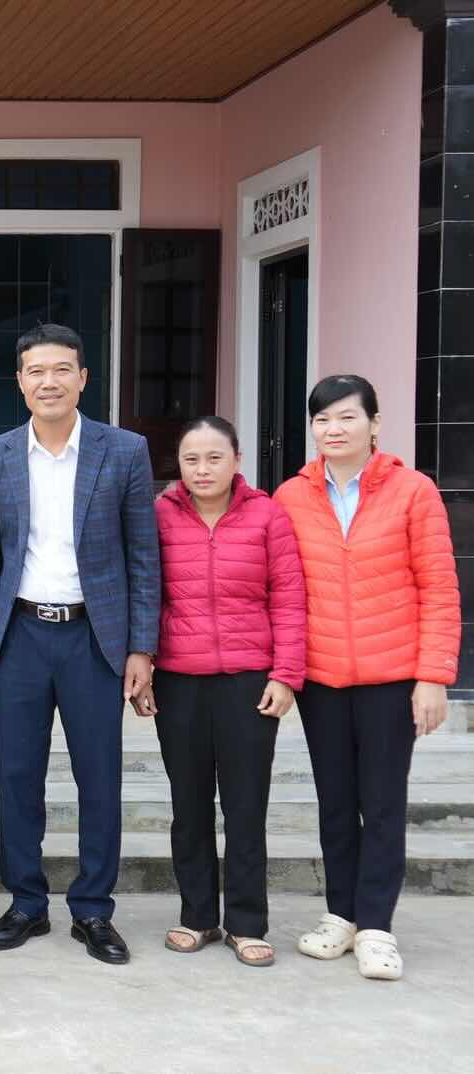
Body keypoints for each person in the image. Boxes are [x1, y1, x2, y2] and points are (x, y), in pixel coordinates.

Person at [0, 323, 159, 966]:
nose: (48, 381)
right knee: (17, 775)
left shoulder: (125, 450)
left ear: (82, 377)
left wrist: (142, 648)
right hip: (22, 633)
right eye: (35, 370)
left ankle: (93, 910)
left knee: (98, 778)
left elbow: (144, 555)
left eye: (61, 369)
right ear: (20, 381)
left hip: (94, 638)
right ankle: (26, 901)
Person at [274, 374, 460, 981]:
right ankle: (341, 915)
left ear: (374, 424)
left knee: (382, 802)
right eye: (323, 420)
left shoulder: (413, 491)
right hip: (322, 678)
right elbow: (281, 589)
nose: (334, 430)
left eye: (348, 418)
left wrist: (432, 676)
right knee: (335, 803)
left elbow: (439, 588)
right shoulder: (291, 497)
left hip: (391, 677)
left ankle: (376, 926)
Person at [144, 416, 306, 968]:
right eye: (191, 459)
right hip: (179, 679)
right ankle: (196, 917)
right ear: (179, 466)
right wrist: (142, 665)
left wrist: (287, 673)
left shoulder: (268, 515)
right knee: (188, 806)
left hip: (248, 682)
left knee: (244, 807)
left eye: (215, 457)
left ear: (237, 460)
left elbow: (289, 599)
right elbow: (147, 594)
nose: (203, 469)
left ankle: (246, 921)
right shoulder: (159, 516)